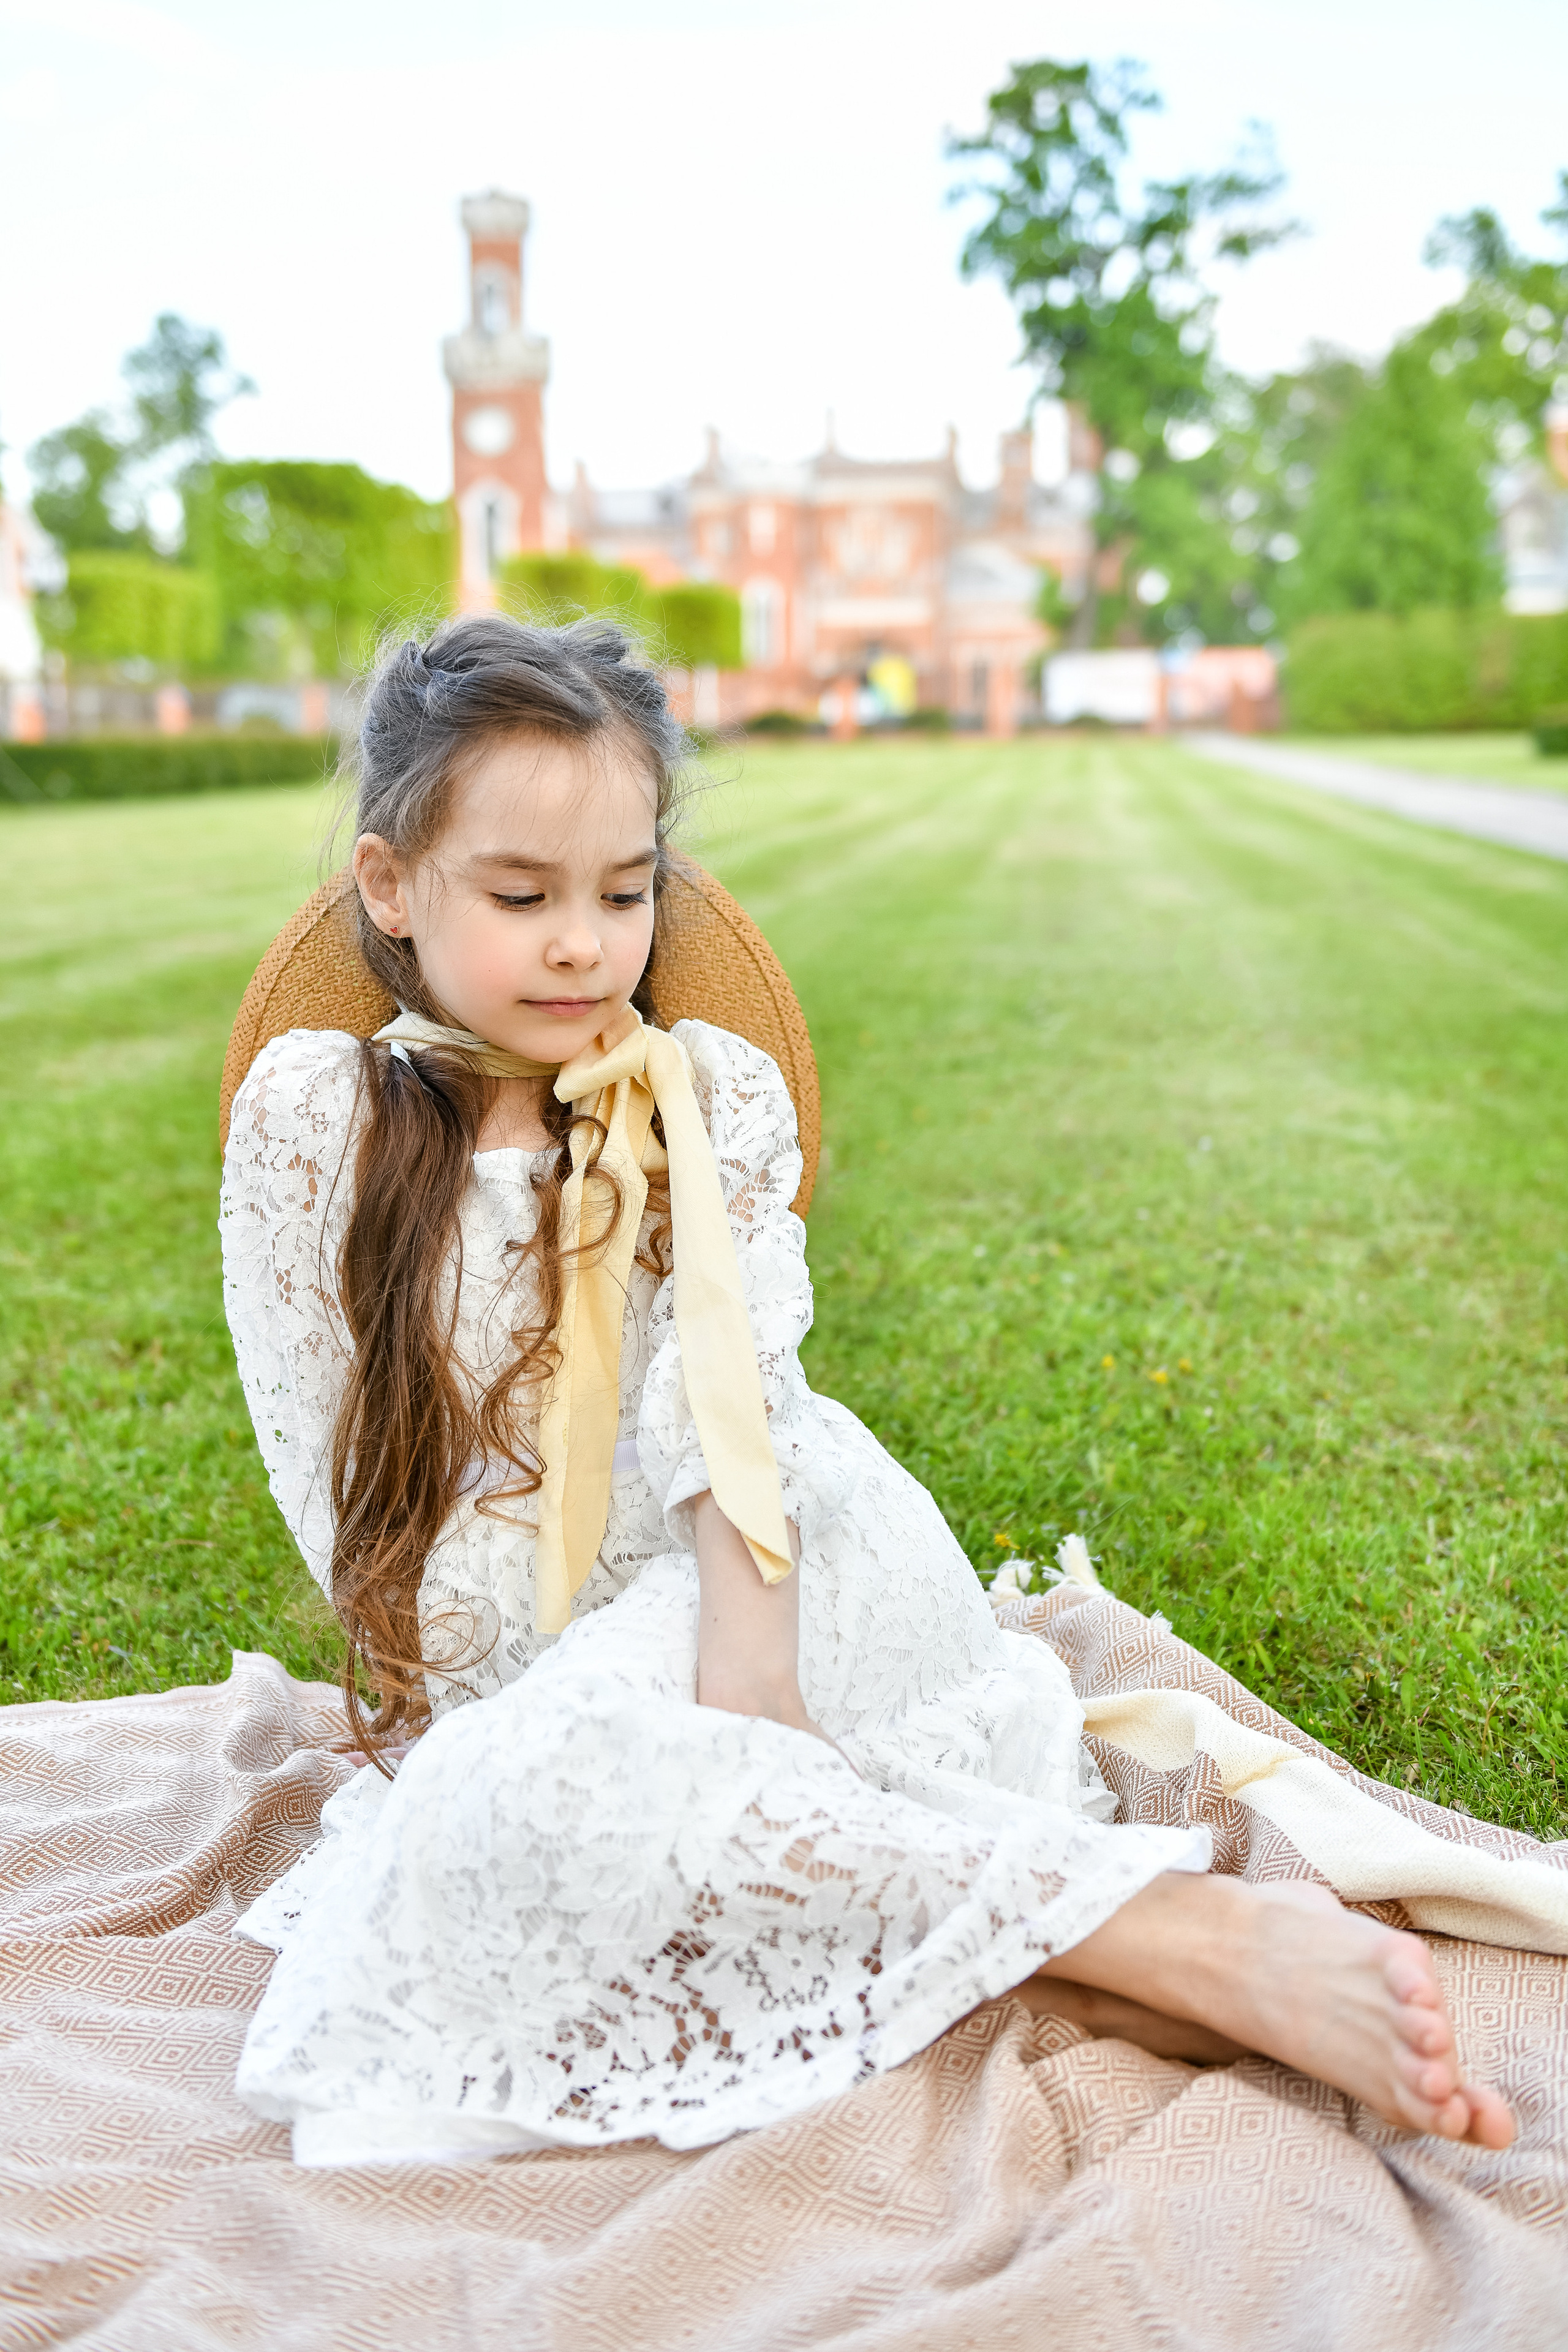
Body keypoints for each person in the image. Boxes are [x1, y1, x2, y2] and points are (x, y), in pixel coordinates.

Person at [221, 615, 1513, 2168]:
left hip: (783, 1568)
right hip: (545, 1668)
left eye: (624, 893)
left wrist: (746, 1702)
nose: (582, 941)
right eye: (521, 896)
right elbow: (325, 1446)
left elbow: (733, 1416)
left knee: (624, 1803)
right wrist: (523, 1709)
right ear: (390, 888)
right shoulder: (320, 1121)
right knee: (498, 1816)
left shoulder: (705, 1098)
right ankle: (1100, 1946)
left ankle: (1170, 1941)